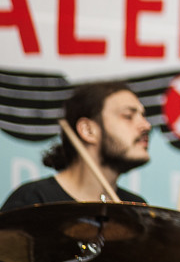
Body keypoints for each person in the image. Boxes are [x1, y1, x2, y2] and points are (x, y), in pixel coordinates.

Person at [1, 80, 151, 211]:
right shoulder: (33, 200)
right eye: (128, 116)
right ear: (88, 130)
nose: (146, 125)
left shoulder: (135, 207)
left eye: (143, 116)